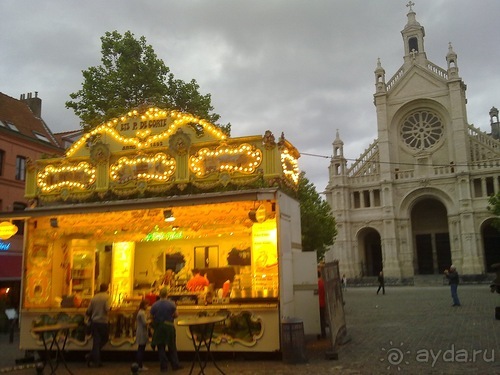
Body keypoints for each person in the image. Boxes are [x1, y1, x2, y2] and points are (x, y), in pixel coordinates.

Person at [150, 287, 182, 372]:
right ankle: (175, 365)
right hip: (169, 327)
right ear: (167, 294)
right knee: (172, 346)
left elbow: (151, 316)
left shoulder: (154, 305)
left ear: (159, 295)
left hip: (159, 328)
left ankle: (163, 367)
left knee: (161, 347)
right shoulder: (171, 304)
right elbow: (176, 315)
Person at [86, 283, 111, 367]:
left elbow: (89, 310)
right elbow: (107, 308)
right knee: (105, 338)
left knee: (96, 341)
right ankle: (93, 356)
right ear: (107, 288)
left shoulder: (94, 297)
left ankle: (94, 356)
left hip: (94, 321)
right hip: (103, 321)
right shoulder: (107, 297)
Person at [136, 300, 149, 371]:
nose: (147, 306)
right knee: (141, 348)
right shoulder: (142, 313)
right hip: (142, 332)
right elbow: (145, 323)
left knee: (140, 348)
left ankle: (139, 364)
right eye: (147, 305)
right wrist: (150, 321)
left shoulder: (140, 312)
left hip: (140, 331)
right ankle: (140, 365)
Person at [317, 270, 327, 339]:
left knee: (320, 320)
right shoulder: (322, 283)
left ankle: (321, 333)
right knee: (322, 319)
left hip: (319, 303)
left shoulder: (318, 284)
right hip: (323, 303)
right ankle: (323, 333)